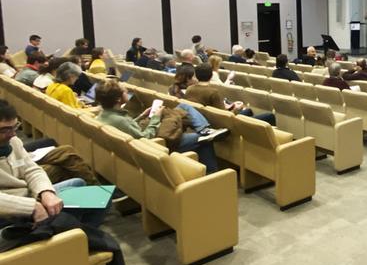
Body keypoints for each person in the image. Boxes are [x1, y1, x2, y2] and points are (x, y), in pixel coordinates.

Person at [0, 100, 106, 229]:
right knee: (93, 197)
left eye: (14, 127)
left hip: (27, 196)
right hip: (10, 210)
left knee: (95, 192)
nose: (12, 134)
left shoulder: (13, 142)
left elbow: (32, 170)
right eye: (5, 130)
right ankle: (71, 237)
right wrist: (31, 206)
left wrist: (45, 192)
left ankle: (79, 237)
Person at [96, 79, 224, 174]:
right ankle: (213, 174)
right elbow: (145, 137)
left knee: (183, 107)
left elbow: (129, 127)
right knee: (203, 140)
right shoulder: (119, 120)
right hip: (155, 145)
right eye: (125, 92)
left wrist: (142, 116)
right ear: (118, 99)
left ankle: (205, 129)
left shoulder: (104, 115)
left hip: (146, 140)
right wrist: (156, 117)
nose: (127, 93)